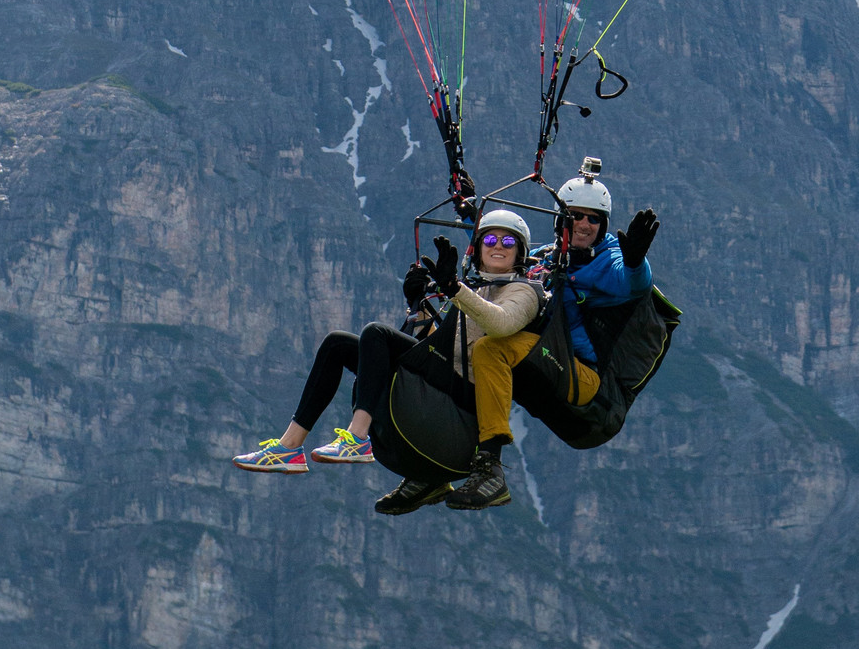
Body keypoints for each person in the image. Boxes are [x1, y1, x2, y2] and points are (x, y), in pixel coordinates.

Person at [232, 210, 543, 513]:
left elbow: (502, 323)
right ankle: (289, 447)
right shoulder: (475, 290)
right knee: (337, 345)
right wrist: (417, 304)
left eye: (508, 242)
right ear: (478, 250)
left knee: (377, 334)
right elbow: (431, 343)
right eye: (490, 240)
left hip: (467, 398)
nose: (498, 246)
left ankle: (357, 438)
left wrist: (455, 289)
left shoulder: (525, 291)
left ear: (521, 252)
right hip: (442, 380)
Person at [447, 161, 659, 510]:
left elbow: (630, 283)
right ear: (562, 219)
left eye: (594, 218)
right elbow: (508, 252)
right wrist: (472, 212)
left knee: (490, 351)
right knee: (467, 343)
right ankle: (440, 456)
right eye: (576, 215)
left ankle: (490, 468)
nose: (585, 224)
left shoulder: (607, 260)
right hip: (545, 356)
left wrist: (636, 261)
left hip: (580, 373)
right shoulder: (550, 256)